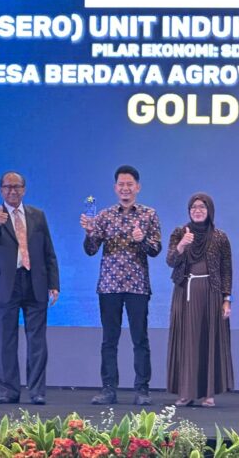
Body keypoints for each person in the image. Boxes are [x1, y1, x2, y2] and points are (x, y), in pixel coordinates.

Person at [80, 165, 162, 405]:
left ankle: (142, 390)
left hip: (137, 286)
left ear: (138, 187)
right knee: (109, 340)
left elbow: (156, 249)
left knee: (140, 339)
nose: (125, 188)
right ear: (115, 188)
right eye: (121, 184)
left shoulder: (149, 214)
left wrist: (142, 239)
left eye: (130, 184)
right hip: (109, 286)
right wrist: (89, 233)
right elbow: (91, 250)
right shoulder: (105, 215)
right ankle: (108, 389)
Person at [0, 171, 60, 405]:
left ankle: (37, 392)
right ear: (1, 190)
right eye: (8, 187)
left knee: (37, 340)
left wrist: (54, 283)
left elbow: (48, 251)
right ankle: (8, 391)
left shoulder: (37, 215)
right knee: (6, 339)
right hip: (6, 283)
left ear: (24, 190)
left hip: (35, 281)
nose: (12, 191)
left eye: (16, 187)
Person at [165, 193, 234, 407]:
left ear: (209, 210)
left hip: (211, 293)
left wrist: (227, 299)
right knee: (186, 341)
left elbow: (226, 270)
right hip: (184, 292)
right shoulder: (180, 233)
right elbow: (170, 261)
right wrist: (181, 246)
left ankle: (208, 393)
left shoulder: (219, 237)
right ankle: (185, 392)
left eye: (202, 207)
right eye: (194, 207)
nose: (197, 210)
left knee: (208, 341)